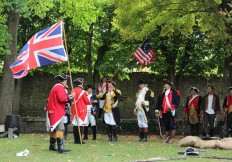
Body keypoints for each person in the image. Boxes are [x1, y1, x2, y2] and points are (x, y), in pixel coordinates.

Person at [46, 74, 74, 153]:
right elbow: (62, 99)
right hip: (57, 111)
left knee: (53, 129)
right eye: (66, 81)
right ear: (64, 80)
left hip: (53, 110)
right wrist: (71, 97)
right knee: (60, 128)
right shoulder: (59, 87)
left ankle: (51, 145)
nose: (66, 82)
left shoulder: (55, 87)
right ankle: (60, 146)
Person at [156, 79, 180, 144]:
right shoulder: (162, 94)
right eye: (165, 84)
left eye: (166, 84)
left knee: (172, 126)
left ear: (170, 85)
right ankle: (167, 138)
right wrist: (159, 111)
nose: (165, 85)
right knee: (166, 126)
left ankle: (172, 138)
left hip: (172, 111)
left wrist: (172, 107)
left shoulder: (175, 92)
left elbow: (177, 103)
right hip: (164, 111)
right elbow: (160, 104)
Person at [71, 78, 91, 144]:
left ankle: (75, 140)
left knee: (75, 125)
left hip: (74, 110)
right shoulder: (83, 92)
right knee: (80, 125)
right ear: (81, 83)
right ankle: (80, 140)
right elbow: (87, 102)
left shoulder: (72, 90)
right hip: (81, 110)